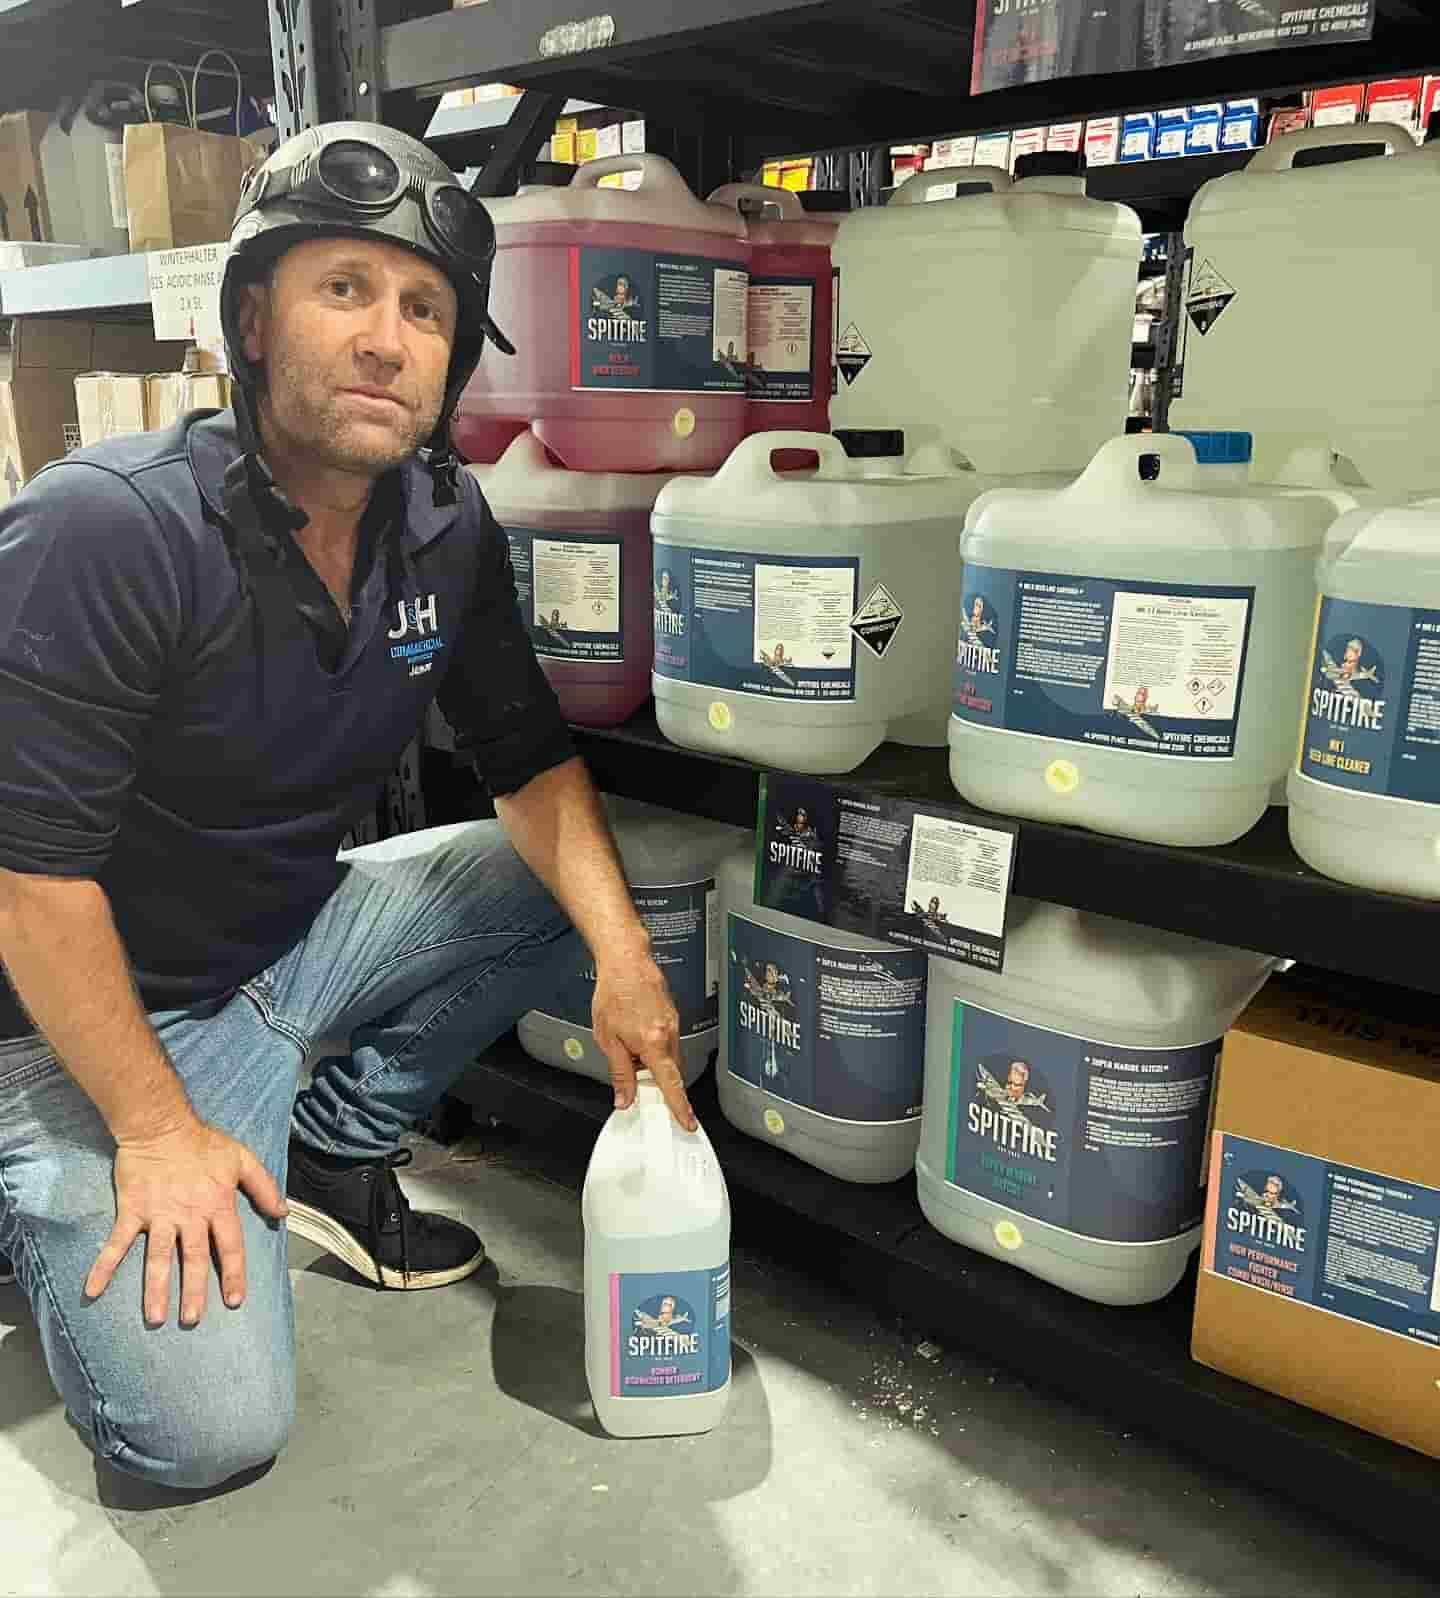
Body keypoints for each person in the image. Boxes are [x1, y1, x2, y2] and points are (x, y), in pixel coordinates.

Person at [0, 122, 695, 1493]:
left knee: (570, 886)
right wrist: (154, 1128)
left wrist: (625, 963)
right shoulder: (108, 528)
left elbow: (531, 762)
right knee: (205, 1432)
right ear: (253, 321)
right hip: (74, 1030)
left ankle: (331, 1150)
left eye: (425, 309)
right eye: (346, 291)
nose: (386, 339)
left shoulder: (447, 524)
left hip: (283, 948)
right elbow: (30, 882)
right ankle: (44, 1190)